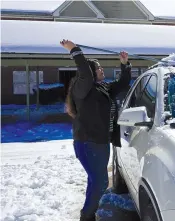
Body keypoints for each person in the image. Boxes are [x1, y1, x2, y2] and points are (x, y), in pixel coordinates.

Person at [60, 39, 132, 221]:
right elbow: (84, 71)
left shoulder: (103, 88)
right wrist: (74, 50)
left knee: (95, 181)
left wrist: (124, 65)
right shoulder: (82, 88)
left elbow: (122, 84)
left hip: (101, 142)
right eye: (98, 68)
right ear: (91, 72)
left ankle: (88, 214)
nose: (101, 70)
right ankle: (87, 216)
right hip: (87, 142)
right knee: (101, 182)